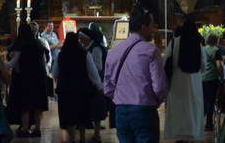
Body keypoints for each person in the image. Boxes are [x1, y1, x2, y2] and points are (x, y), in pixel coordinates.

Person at [103, 8, 167, 143]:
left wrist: (121, 98)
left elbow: (107, 88)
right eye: (152, 25)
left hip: (120, 111)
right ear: (143, 27)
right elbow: (159, 87)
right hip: (144, 109)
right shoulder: (150, 50)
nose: (153, 29)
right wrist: (155, 101)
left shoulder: (113, 52)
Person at [55, 32, 102, 143]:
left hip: (65, 89)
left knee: (68, 115)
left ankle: (71, 138)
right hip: (81, 89)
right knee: (81, 115)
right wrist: (99, 86)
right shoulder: (84, 54)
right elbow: (93, 73)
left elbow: (55, 73)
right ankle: (82, 138)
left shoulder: (60, 55)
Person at [163, 17, 204, 142]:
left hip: (177, 84)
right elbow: (203, 65)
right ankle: (192, 136)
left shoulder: (175, 43)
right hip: (194, 85)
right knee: (193, 112)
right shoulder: (198, 43)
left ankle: (179, 137)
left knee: (179, 113)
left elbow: (166, 62)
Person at [7, 22, 49, 138]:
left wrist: (1, 62)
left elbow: (13, 64)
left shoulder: (21, 45)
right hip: (39, 78)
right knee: (37, 105)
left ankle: (25, 129)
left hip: (25, 80)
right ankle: (38, 129)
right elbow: (44, 60)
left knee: (25, 105)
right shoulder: (38, 44)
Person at [79, 29, 108, 142]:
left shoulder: (95, 48)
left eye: (82, 38)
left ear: (87, 38)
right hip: (89, 83)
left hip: (96, 83)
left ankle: (97, 134)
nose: (80, 40)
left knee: (97, 110)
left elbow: (98, 66)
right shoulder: (86, 47)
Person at [201, 33, 223, 131]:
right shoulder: (216, 50)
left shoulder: (202, 49)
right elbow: (219, 65)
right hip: (212, 79)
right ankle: (209, 124)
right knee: (210, 101)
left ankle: (198, 122)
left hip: (201, 78)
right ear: (215, 41)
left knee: (202, 101)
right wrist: (221, 75)